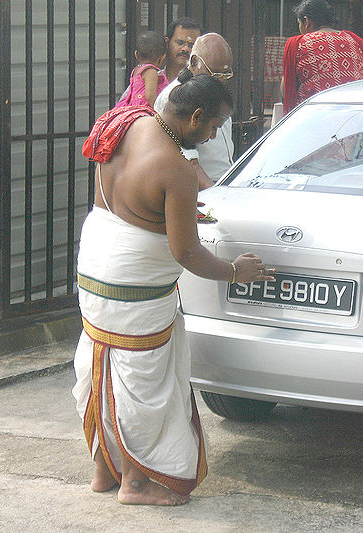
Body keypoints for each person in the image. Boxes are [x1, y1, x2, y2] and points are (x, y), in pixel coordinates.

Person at [73, 71, 275, 506]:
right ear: (196, 116)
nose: (213, 135)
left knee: (102, 365)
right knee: (144, 383)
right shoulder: (176, 168)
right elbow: (188, 255)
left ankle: (103, 470)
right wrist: (237, 271)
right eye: (215, 126)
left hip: (94, 268)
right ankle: (136, 483)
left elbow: (140, 205)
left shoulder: (124, 122)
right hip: (136, 288)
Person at [155, 33, 235, 187]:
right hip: (202, 187)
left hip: (223, 182)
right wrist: (215, 194)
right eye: (216, 73)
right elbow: (187, 160)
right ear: (194, 62)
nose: (222, 79)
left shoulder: (215, 92)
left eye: (226, 74)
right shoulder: (174, 98)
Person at [281, 0, 363, 113]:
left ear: (306, 21)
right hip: (355, 113)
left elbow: (287, 89)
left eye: (299, 23)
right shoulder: (354, 39)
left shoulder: (297, 43)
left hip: (314, 114)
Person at [114, 31, 169, 108]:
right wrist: (158, 111)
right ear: (162, 58)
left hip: (132, 106)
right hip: (144, 109)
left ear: (136, 54)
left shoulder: (137, 69)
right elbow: (150, 97)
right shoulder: (151, 72)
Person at [164, 17, 202, 84]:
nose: (185, 49)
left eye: (191, 45)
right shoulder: (151, 81)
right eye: (180, 43)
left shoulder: (200, 86)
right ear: (167, 43)